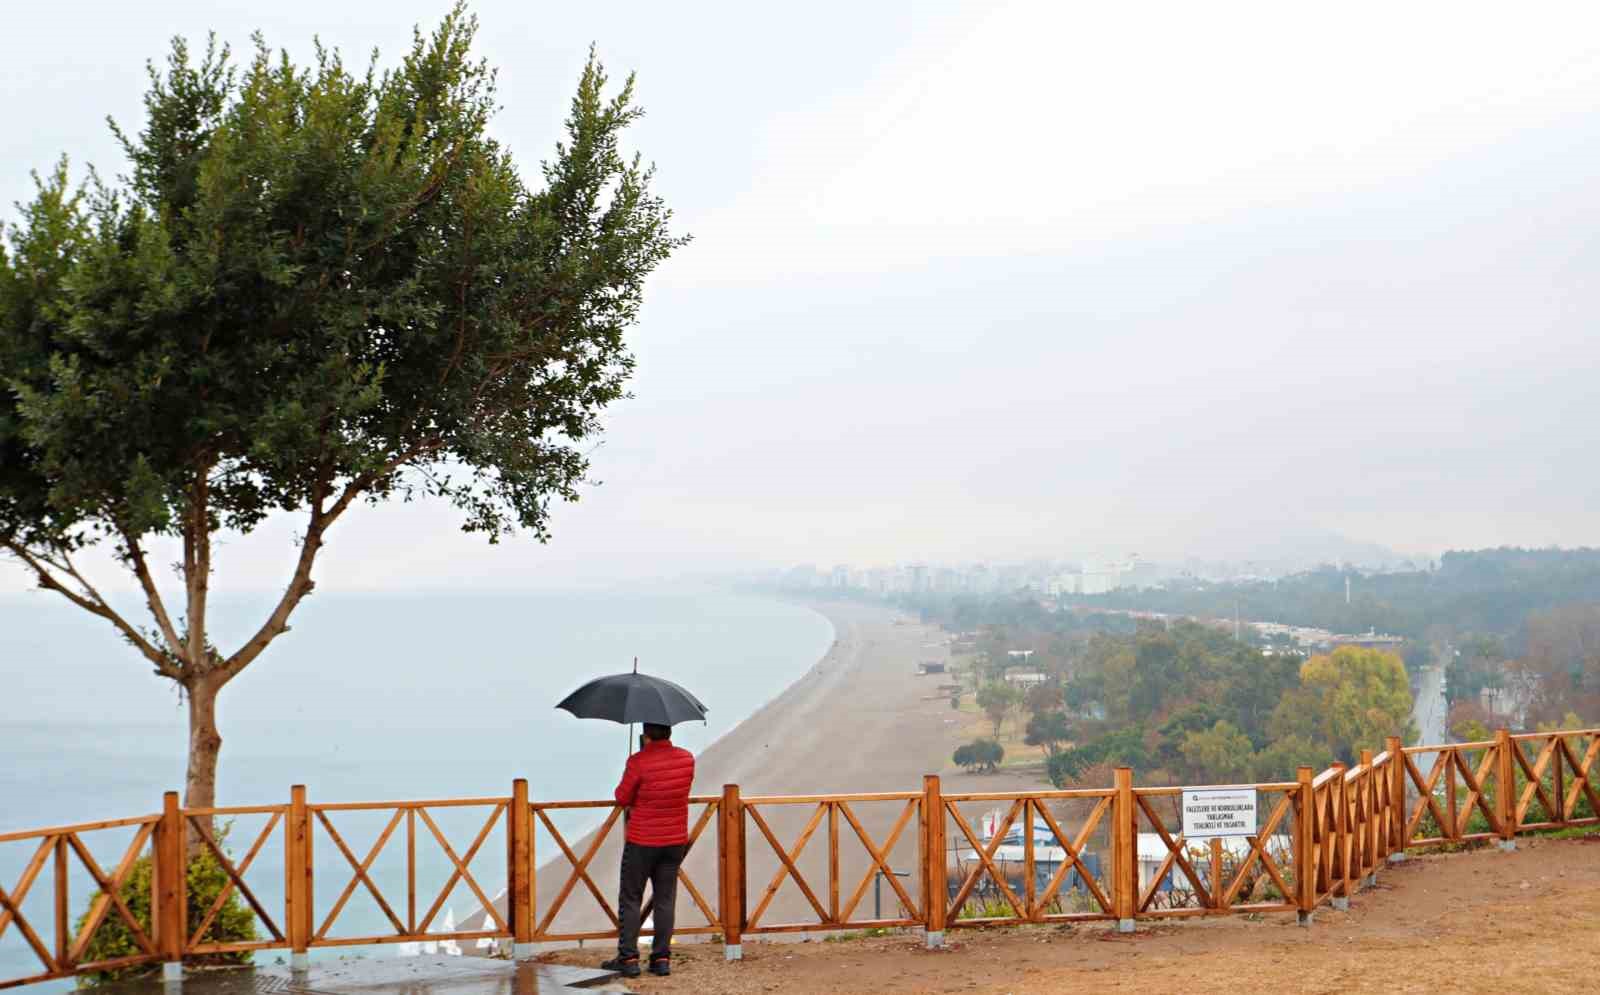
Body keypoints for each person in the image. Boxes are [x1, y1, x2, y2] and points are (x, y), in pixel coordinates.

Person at [602, 722, 695, 978]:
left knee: (631, 898)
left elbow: (622, 797)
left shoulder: (638, 762)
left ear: (645, 734)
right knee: (665, 899)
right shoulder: (687, 759)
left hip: (642, 840)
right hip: (675, 840)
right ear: (670, 731)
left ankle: (629, 959)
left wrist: (634, 762)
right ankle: (661, 959)